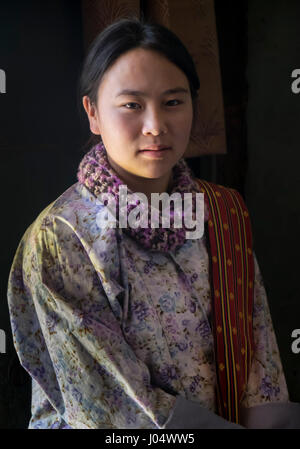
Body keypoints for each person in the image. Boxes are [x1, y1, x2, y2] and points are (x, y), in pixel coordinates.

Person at [7, 17, 300, 429]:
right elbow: (112, 408)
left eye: (173, 102)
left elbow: (260, 363)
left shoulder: (223, 212)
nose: (156, 126)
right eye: (131, 105)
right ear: (92, 112)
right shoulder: (62, 239)